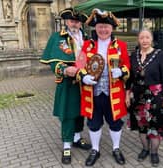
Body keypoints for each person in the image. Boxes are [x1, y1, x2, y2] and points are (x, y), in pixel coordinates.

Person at [76, 8, 130, 166]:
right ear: (96, 28)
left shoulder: (121, 45)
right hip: (92, 93)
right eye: (100, 26)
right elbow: (79, 65)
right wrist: (83, 76)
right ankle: (95, 149)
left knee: (115, 123)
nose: (103, 29)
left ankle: (116, 148)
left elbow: (127, 65)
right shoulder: (87, 45)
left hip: (113, 93)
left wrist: (121, 71)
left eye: (106, 27)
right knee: (93, 123)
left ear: (111, 28)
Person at [40, 8, 91, 165]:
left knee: (80, 111)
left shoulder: (87, 37)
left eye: (77, 21)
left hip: (85, 82)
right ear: (66, 21)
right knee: (68, 113)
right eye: (71, 20)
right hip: (68, 83)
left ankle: (76, 138)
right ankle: (66, 145)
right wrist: (64, 69)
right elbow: (53, 62)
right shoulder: (57, 37)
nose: (74, 23)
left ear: (80, 22)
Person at [126, 29, 163, 167]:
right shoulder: (134, 55)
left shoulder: (159, 54)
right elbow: (130, 77)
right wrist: (127, 93)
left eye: (147, 37)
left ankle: (154, 152)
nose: (144, 40)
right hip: (138, 96)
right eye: (142, 37)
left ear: (152, 39)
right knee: (141, 125)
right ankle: (145, 149)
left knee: (155, 126)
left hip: (155, 97)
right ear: (138, 39)